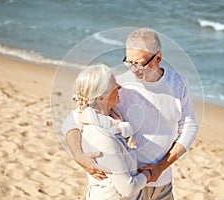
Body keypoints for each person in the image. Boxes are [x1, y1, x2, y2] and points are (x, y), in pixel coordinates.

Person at [62, 28, 198, 199]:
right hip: (131, 187)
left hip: (163, 184)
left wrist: (161, 167)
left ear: (158, 58)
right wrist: (78, 155)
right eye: (129, 62)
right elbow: (72, 120)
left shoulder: (178, 83)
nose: (134, 69)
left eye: (139, 63)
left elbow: (189, 127)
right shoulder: (119, 86)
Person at [69, 64, 151, 200]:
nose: (120, 87)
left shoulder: (112, 120)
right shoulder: (102, 137)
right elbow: (127, 188)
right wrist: (148, 174)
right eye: (114, 86)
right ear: (101, 97)